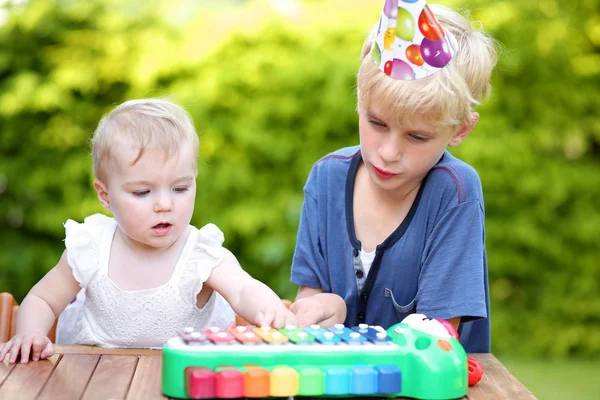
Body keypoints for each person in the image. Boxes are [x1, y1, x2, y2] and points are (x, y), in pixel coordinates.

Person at [0, 98, 296, 364]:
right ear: (105, 196)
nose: (165, 204)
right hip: (92, 381)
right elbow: (43, 299)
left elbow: (244, 289)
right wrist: (30, 334)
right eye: (143, 192)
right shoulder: (92, 247)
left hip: (184, 384)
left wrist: (269, 308)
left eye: (180, 188)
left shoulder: (200, 254)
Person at [289, 0, 498, 353]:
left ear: (460, 130)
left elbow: (436, 340)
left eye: (416, 137)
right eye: (377, 123)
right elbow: (309, 300)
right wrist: (326, 308)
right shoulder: (327, 178)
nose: (388, 152)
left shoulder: (454, 191)